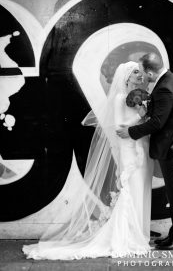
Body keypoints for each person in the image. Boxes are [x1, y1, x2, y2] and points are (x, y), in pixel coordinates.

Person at [22, 61, 154, 260]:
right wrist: (142, 118)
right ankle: (126, 236)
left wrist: (143, 112)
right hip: (129, 150)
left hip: (141, 147)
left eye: (140, 71)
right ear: (126, 77)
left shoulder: (138, 97)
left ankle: (138, 233)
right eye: (135, 72)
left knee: (139, 190)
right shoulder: (120, 98)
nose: (140, 75)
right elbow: (119, 127)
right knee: (130, 190)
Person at [117, 53, 173, 250]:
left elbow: (157, 122)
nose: (143, 76)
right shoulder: (172, 80)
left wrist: (130, 132)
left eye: (143, 72)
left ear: (151, 72)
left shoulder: (165, 88)